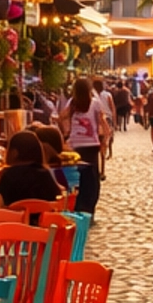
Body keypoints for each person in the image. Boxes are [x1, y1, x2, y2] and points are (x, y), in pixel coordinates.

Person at [0, 129, 65, 210]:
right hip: (44, 218)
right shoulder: (46, 174)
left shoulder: (9, 175)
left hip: (15, 218)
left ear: (14, 153)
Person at [64, 78, 106, 218]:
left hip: (76, 145)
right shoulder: (95, 103)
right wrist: (105, 138)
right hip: (91, 144)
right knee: (92, 178)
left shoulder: (72, 103)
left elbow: (61, 117)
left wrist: (66, 131)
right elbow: (101, 122)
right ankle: (89, 207)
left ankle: (79, 205)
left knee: (79, 178)